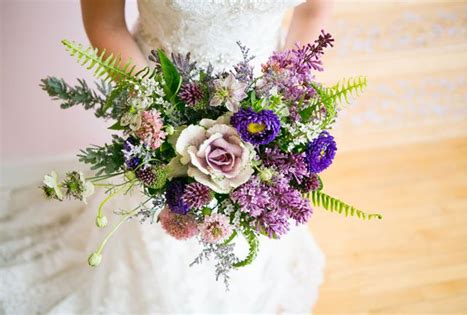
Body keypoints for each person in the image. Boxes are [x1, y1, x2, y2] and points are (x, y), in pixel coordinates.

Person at [1, 0, 329, 313]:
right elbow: (105, 23)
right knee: (161, 229)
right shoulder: (159, 116)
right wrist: (163, 117)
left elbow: (312, 11)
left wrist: (282, 94)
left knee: (247, 223)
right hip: (158, 107)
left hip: (261, 112)